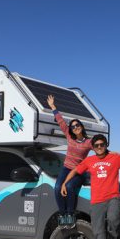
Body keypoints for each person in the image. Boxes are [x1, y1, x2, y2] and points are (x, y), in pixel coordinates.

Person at [47, 94, 91, 228]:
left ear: (81, 127)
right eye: (73, 126)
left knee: (71, 187)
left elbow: (101, 149)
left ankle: (71, 214)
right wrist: (53, 107)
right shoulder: (70, 137)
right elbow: (61, 121)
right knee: (57, 188)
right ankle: (63, 214)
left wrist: (113, 156)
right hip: (66, 169)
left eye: (77, 125)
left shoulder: (89, 142)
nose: (75, 127)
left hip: (79, 171)